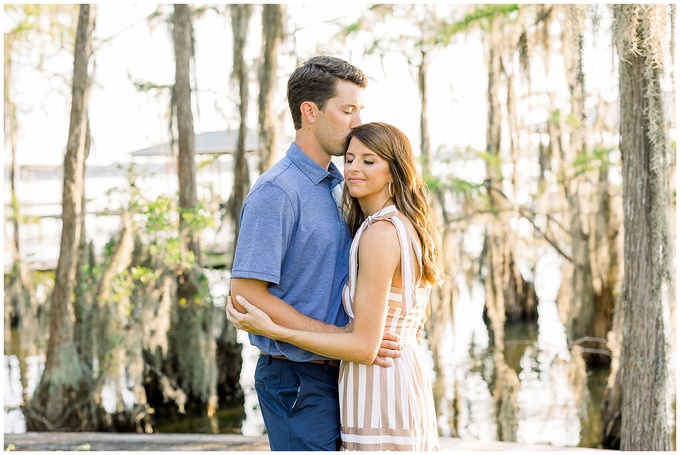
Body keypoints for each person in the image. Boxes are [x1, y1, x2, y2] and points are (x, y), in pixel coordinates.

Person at [228, 121, 444, 451]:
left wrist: (274, 329)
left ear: (394, 171)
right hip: (396, 375)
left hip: (378, 384)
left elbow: (364, 347)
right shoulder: (402, 224)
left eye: (368, 161)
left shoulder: (380, 234)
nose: (354, 168)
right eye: (350, 159)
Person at [229, 56, 401, 451]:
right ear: (310, 112)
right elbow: (246, 295)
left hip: (345, 371)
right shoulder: (278, 192)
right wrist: (344, 336)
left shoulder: (341, 184)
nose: (358, 123)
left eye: (360, 110)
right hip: (297, 379)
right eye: (347, 110)